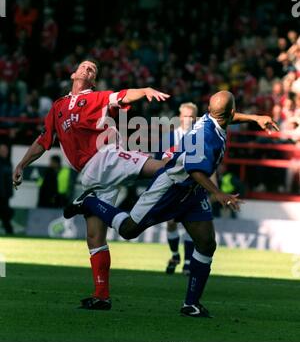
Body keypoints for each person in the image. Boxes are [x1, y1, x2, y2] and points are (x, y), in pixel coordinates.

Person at [64, 91, 279, 317]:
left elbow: (226, 116)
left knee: (206, 243)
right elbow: (195, 169)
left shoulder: (211, 119)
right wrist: (218, 193)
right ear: (231, 112)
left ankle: (191, 304)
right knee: (128, 230)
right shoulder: (207, 135)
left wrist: (255, 118)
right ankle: (89, 202)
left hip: (192, 193)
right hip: (170, 187)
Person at [12, 59, 170, 310]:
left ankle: (182, 165)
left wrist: (145, 91)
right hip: (89, 174)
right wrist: (22, 164)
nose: (88, 69)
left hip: (107, 156)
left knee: (162, 168)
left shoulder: (97, 97)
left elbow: (123, 95)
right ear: (74, 73)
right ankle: (102, 296)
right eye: (85, 66)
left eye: (93, 69)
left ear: (93, 81)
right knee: (94, 236)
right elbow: (44, 140)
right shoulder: (58, 107)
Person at [165, 102, 198, 276]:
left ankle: (186, 263)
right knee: (171, 224)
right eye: (185, 116)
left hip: (192, 186)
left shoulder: (198, 138)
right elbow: (161, 162)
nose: (188, 119)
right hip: (172, 186)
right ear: (180, 117)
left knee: (190, 225)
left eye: (191, 116)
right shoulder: (169, 138)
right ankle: (175, 255)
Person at [0, 143, 14, 235]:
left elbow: (8, 180)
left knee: (6, 215)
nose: (5, 152)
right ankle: (10, 232)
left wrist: (9, 192)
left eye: (6, 150)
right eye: (2, 150)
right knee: (6, 214)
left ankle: (9, 232)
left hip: (5, 195)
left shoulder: (8, 163)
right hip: (1, 194)